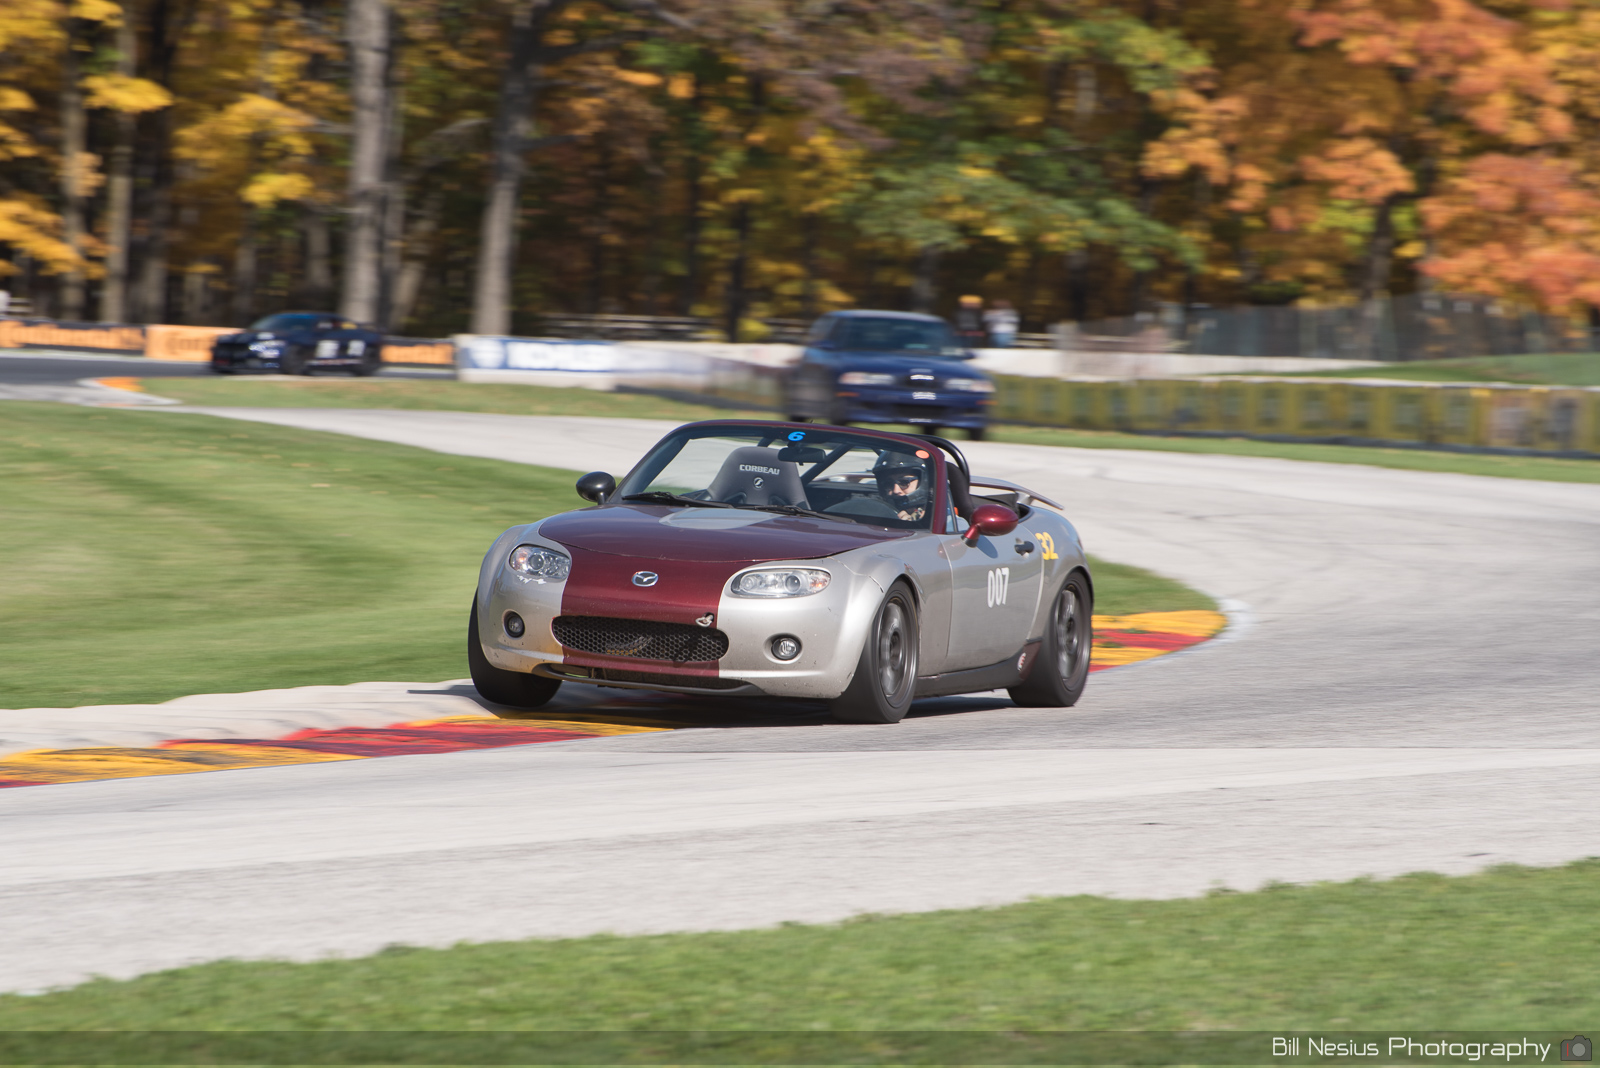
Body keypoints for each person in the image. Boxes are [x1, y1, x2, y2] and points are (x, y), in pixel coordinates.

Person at [874, 451, 929, 522]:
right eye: (888, 484)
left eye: (904, 482)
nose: (895, 490)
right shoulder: (877, 509)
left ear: (923, 482)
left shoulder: (939, 512)